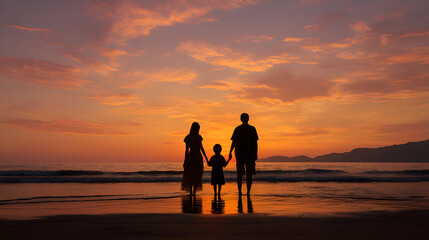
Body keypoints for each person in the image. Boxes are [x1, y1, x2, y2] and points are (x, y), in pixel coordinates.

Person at [228, 113, 259, 195]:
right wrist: (230, 152)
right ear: (247, 119)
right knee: (246, 174)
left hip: (244, 154)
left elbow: (234, 142)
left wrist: (230, 152)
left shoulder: (240, 129)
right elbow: (255, 143)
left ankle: (242, 191)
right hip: (244, 154)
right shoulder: (250, 129)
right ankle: (245, 191)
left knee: (242, 174)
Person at [181, 122, 208, 195]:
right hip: (196, 156)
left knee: (193, 174)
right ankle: (193, 192)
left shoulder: (188, 137)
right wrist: (185, 161)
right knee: (195, 174)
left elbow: (187, 151)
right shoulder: (198, 137)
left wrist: (206, 158)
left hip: (192, 156)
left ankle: (192, 192)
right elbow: (201, 148)